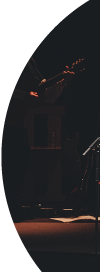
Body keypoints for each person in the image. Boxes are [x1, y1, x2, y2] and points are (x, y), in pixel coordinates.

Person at [2, 56, 74, 221]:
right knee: (12, 162)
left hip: (15, 121)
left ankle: (11, 202)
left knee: (21, 160)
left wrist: (62, 81)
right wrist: (22, 96)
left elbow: (44, 94)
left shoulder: (30, 62)